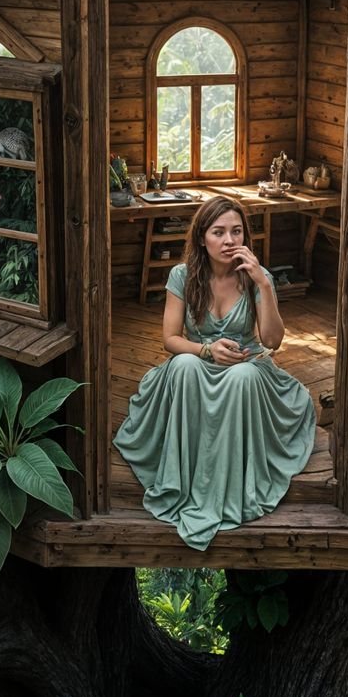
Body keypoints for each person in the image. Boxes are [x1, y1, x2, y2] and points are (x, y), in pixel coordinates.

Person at [115, 195, 316, 549]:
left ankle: (229, 486)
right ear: (202, 237)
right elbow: (170, 339)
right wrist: (206, 350)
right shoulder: (182, 275)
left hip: (247, 364)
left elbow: (272, 341)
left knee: (243, 377)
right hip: (198, 360)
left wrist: (264, 284)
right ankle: (180, 480)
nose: (229, 240)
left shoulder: (258, 278)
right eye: (218, 232)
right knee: (184, 366)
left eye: (236, 232)